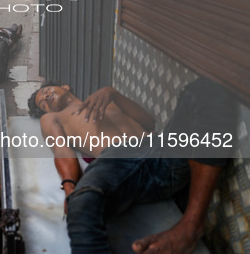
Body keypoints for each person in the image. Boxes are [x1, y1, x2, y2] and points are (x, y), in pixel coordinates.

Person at [27, 78, 236, 253]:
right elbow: (62, 150)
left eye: (46, 91)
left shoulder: (104, 99)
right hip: (115, 161)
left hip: (158, 147)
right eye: (43, 103)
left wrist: (113, 93)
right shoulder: (52, 118)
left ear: (65, 86)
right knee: (81, 203)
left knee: (205, 90)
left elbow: (149, 122)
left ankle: (191, 226)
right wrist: (70, 189)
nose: (46, 98)